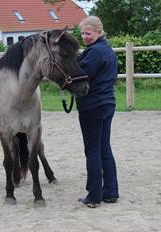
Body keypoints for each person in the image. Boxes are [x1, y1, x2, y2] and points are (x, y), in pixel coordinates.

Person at [76, 16, 119, 208]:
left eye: (88, 33)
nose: (84, 37)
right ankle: (110, 192)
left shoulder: (94, 52)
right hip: (107, 103)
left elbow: (79, 75)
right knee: (104, 148)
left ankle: (93, 196)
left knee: (93, 150)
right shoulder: (107, 50)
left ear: (99, 32)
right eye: (83, 33)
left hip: (93, 106)